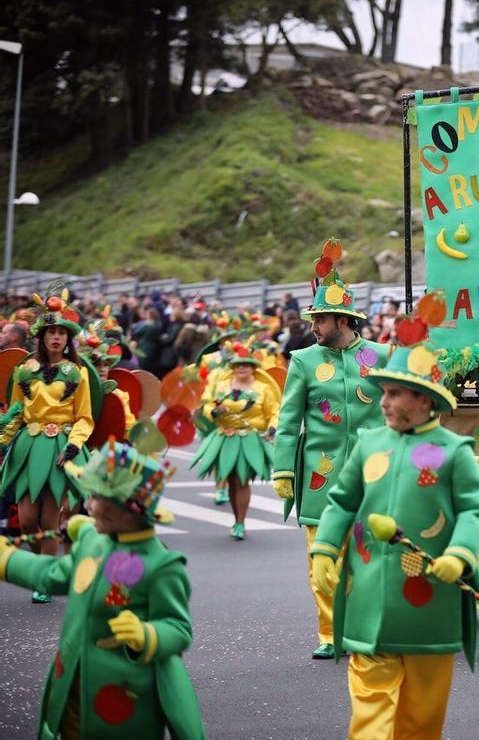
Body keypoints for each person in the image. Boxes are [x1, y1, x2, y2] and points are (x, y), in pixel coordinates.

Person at [309, 298, 479, 739]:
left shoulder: (455, 453)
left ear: (424, 401)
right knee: (370, 710)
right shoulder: (368, 444)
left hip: (428, 605)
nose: (383, 402)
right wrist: (325, 549)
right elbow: (342, 502)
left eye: (394, 393)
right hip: (368, 601)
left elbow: (477, 510)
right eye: (382, 392)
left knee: (421, 718)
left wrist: (459, 555)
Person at [0, 441, 205, 740]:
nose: (90, 505)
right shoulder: (92, 544)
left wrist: (145, 634)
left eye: (99, 497)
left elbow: (178, 628)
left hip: (126, 703)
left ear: (129, 509)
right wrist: (8, 560)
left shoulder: (163, 566)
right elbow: (52, 574)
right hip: (71, 688)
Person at [270, 239, 392, 660]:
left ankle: (367, 626)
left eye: (320, 318)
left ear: (343, 319)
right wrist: (283, 470)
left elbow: (401, 410)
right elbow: (288, 421)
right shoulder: (302, 360)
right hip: (320, 474)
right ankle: (330, 632)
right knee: (322, 558)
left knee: (370, 555)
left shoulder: (383, 356)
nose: (314, 325)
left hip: (372, 474)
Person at [0, 289, 95, 604]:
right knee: (27, 520)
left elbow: (84, 417)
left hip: (60, 447)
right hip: (28, 446)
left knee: (51, 518)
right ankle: (46, 569)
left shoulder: (78, 372)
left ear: (68, 339)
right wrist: (2, 441)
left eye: (62, 333)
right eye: (51, 332)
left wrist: (73, 446)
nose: (56, 338)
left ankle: (45, 579)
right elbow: (15, 413)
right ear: (41, 337)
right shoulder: (24, 371)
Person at [192, 342, 280, 539]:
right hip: (225, 436)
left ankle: (240, 522)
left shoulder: (264, 389)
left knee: (241, 481)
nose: (242, 368)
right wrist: (215, 411)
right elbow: (207, 406)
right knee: (231, 481)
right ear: (233, 367)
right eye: (238, 365)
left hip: (250, 439)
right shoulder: (222, 386)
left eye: (246, 365)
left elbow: (275, 411)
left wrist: (272, 428)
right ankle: (236, 518)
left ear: (253, 368)